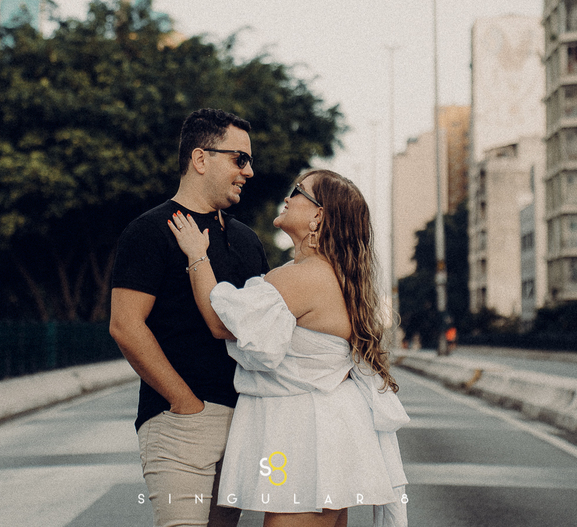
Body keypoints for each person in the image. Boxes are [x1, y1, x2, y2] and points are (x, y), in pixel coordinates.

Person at [169, 170, 408, 527]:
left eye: (298, 191)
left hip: (307, 445)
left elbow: (222, 322)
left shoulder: (303, 277)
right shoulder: (334, 274)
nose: (287, 197)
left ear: (318, 216)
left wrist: (196, 255)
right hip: (327, 436)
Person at [110, 109, 269, 527]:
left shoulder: (247, 240)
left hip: (244, 420)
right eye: (240, 159)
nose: (249, 171)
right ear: (201, 159)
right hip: (181, 423)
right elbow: (126, 325)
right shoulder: (150, 230)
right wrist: (184, 403)